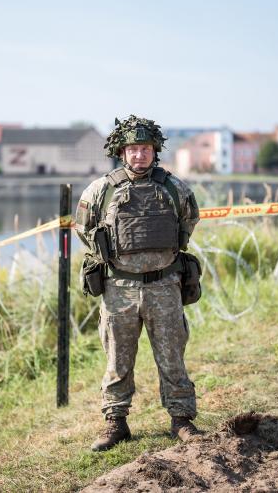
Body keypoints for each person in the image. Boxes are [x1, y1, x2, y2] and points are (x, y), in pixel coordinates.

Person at [75, 115, 202, 452]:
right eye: (133, 149)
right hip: (119, 290)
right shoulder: (102, 189)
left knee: (173, 356)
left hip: (164, 287)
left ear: (154, 151)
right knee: (117, 360)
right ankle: (115, 423)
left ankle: (182, 420)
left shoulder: (174, 187)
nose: (139, 156)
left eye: (145, 149)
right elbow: (83, 226)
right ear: (122, 151)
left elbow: (189, 218)